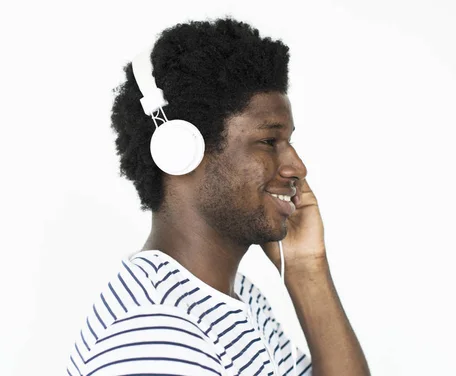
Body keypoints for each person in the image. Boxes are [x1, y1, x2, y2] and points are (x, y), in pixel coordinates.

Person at [66, 17, 370, 376]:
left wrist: (306, 269)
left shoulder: (237, 298)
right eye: (269, 142)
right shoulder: (158, 335)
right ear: (181, 152)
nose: (297, 167)